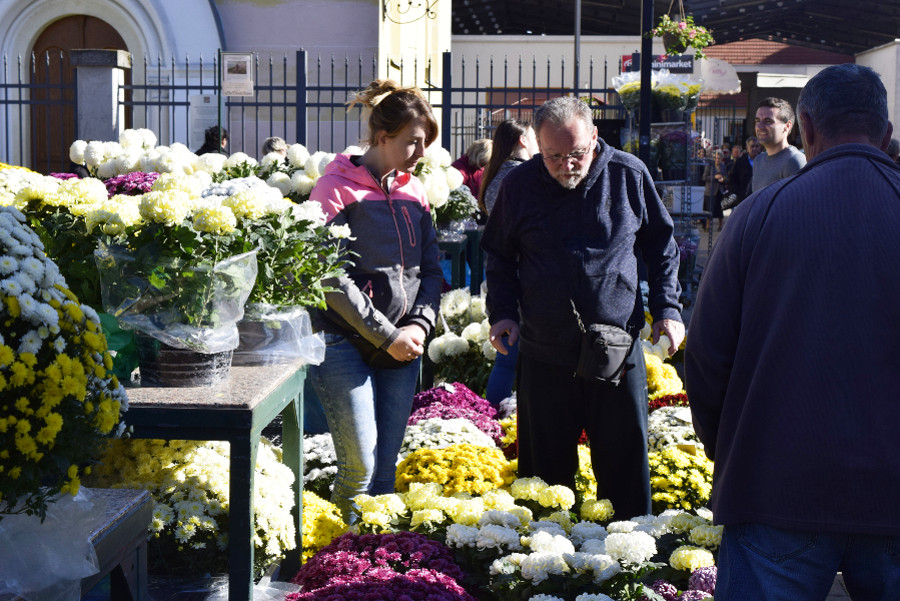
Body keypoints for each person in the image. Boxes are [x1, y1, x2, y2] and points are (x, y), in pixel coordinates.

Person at [685, 63, 900, 600]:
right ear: (887, 132)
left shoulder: (759, 216)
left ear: (804, 128)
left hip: (776, 485)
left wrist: (728, 447)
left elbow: (707, 356)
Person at [481, 96, 684, 519]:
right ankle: (545, 571)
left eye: (576, 154)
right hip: (544, 350)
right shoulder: (519, 186)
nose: (566, 165)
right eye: (553, 156)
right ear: (536, 146)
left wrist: (668, 309)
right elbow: (498, 254)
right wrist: (501, 311)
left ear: (595, 136)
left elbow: (662, 247)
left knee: (625, 474)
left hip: (615, 352)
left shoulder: (628, 174)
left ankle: (630, 564)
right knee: (543, 485)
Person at [307, 79, 443, 520]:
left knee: (385, 471)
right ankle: (336, 567)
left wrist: (419, 325)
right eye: (414, 143)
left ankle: (372, 569)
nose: (422, 155)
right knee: (360, 467)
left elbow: (432, 270)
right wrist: (386, 335)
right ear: (382, 138)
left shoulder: (414, 192)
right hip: (343, 343)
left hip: (403, 344)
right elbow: (328, 275)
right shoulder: (335, 188)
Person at [477, 118, 539, 406]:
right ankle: (500, 415)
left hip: (501, 273)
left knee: (506, 355)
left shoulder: (494, 174)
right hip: (521, 273)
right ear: (524, 140)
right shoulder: (523, 176)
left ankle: (491, 413)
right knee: (515, 356)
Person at [479, 118, 539, 215]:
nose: (538, 144)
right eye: (535, 138)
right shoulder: (528, 175)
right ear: (523, 140)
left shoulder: (496, 175)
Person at [751, 96, 806, 192]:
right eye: (757, 121)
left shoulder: (794, 161)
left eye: (768, 121)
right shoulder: (758, 160)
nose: (760, 126)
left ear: (787, 126)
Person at [722, 136, 761, 209]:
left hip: (759, 198)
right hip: (743, 200)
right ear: (747, 148)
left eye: (757, 146)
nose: (755, 149)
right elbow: (732, 179)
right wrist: (739, 193)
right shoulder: (740, 162)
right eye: (752, 146)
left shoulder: (764, 161)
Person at [701, 149, 728, 231]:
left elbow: (726, 176)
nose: (717, 160)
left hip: (719, 190)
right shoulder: (709, 165)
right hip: (710, 190)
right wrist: (714, 177)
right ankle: (708, 226)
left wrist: (723, 179)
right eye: (716, 158)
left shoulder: (723, 166)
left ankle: (721, 226)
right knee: (709, 209)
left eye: (719, 158)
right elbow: (704, 177)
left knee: (720, 209)